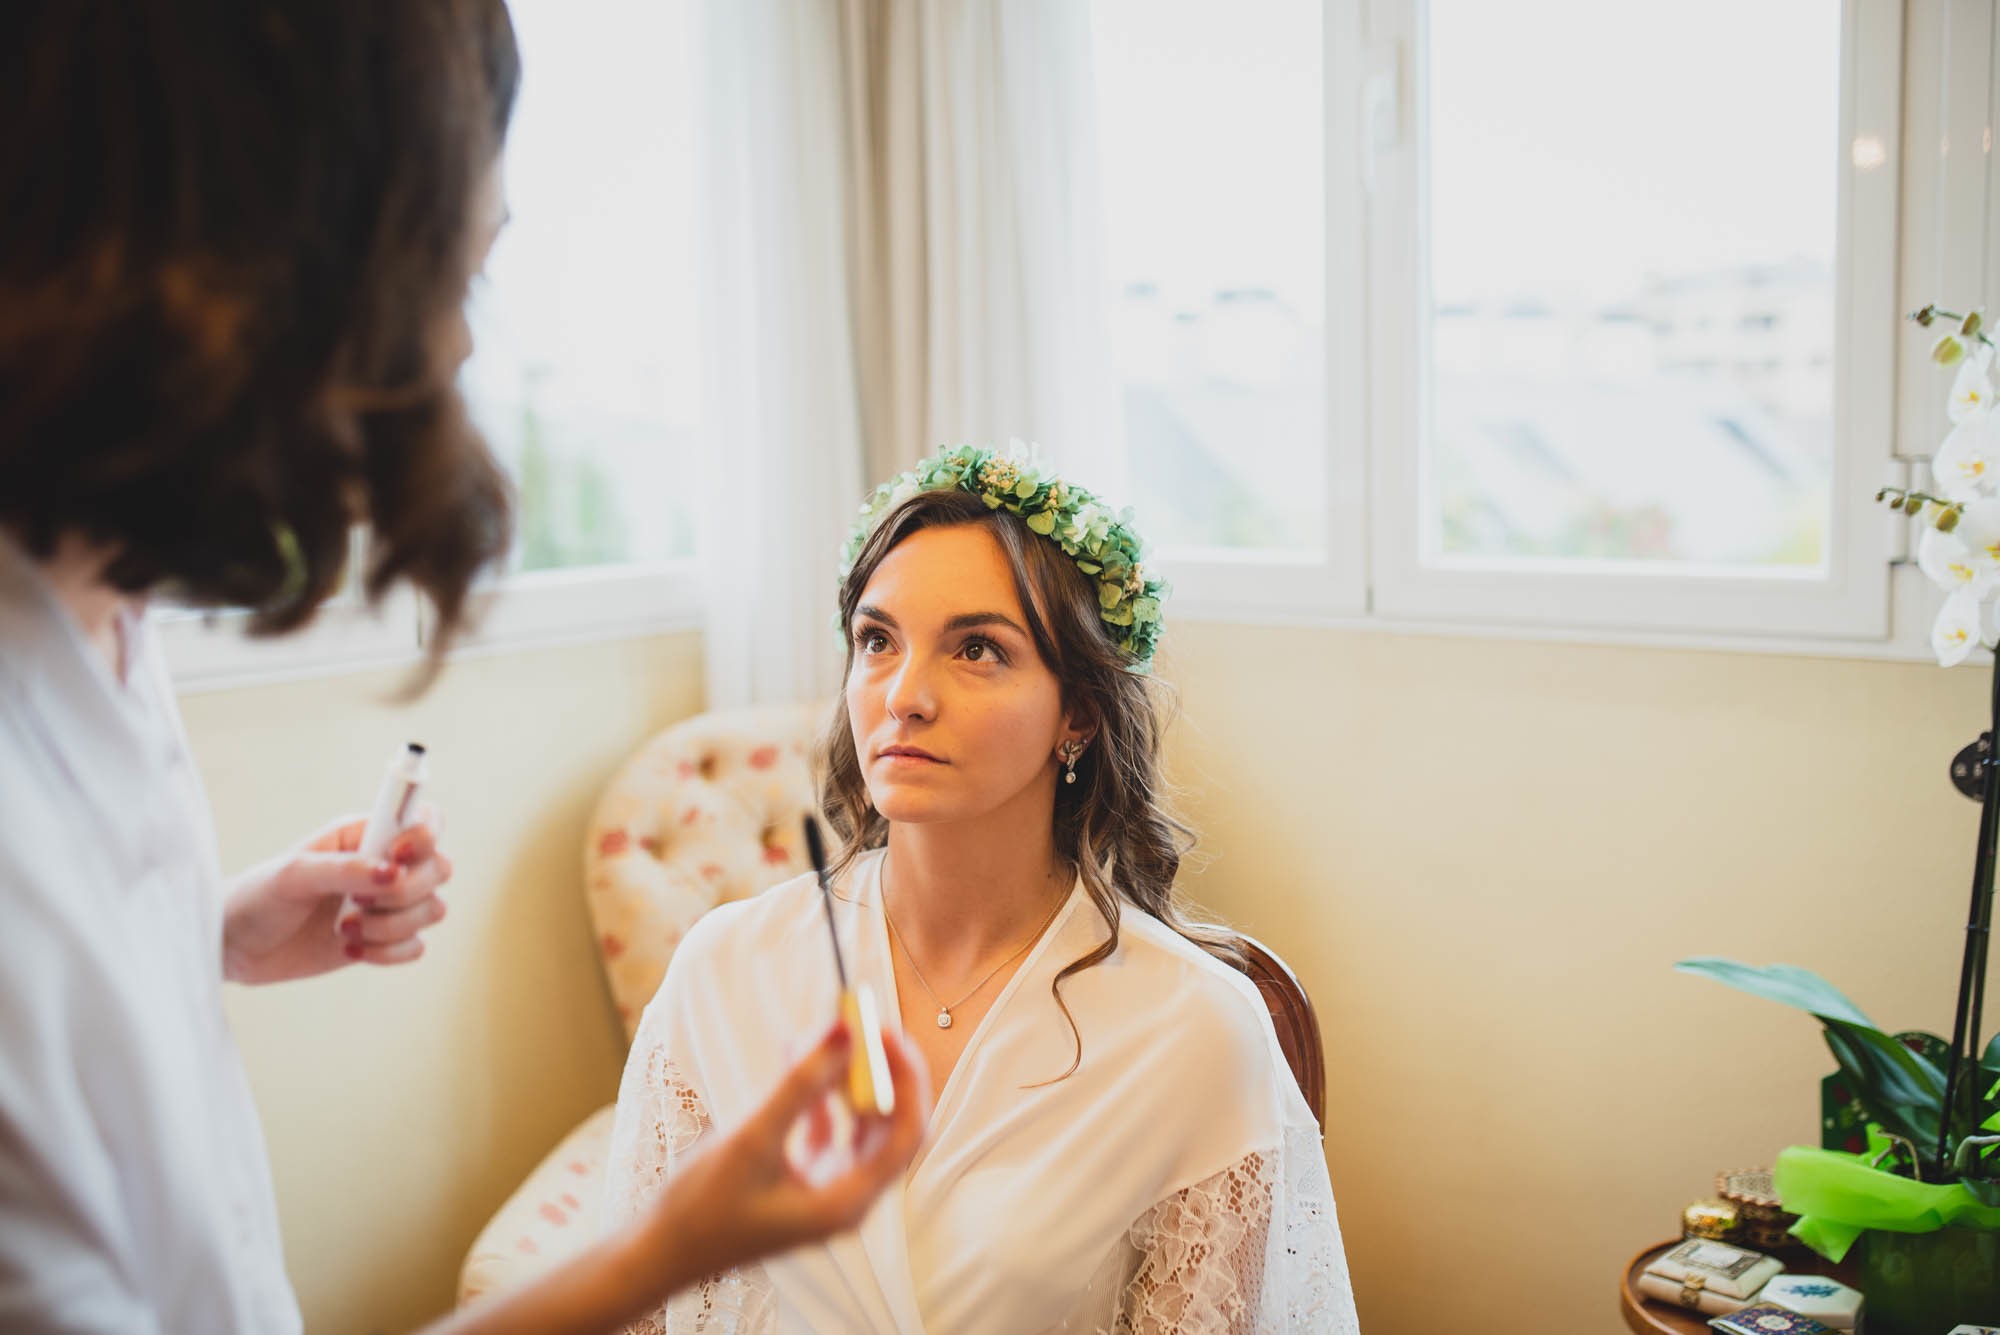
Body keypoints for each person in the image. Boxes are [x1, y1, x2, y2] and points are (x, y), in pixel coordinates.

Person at [0, 3, 927, 1333]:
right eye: (460, 274)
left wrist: (210, 925)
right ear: (270, 260)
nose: (459, 350)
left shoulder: (103, 607)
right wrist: (672, 1242)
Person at [602, 445, 1360, 1333]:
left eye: (977, 649)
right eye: (877, 640)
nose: (905, 696)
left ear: (1078, 712)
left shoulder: (1194, 1031)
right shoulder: (723, 973)